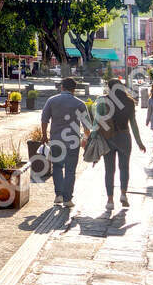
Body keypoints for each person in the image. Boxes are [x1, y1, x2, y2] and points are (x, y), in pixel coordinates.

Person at [92, 81, 147, 212]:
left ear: (109, 88)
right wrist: (139, 142)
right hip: (125, 137)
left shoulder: (103, 101)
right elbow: (133, 123)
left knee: (109, 170)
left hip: (108, 138)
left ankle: (110, 200)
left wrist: (92, 139)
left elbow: (97, 121)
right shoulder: (129, 102)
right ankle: (123, 194)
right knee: (124, 167)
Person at [41, 76, 88, 209]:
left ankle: (58, 195)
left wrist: (44, 135)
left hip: (56, 140)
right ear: (74, 89)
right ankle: (68, 198)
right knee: (70, 170)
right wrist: (84, 140)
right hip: (73, 142)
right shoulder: (79, 103)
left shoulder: (52, 100)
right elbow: (87, 127)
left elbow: (44, 119)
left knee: (57, 167)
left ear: (62, 87)